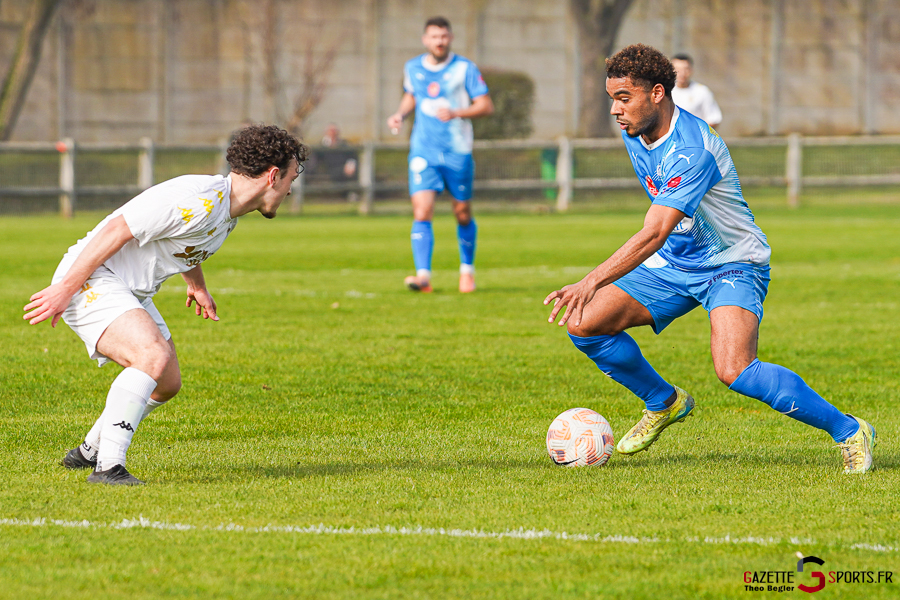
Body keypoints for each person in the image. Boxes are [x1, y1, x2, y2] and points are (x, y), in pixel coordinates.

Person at [543, 44, 875, 474]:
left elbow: (654, 231)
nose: (615, 110)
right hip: (677, 263)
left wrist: (591, 280)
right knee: (584, 323)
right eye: (612, 99)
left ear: (657, 93)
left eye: (624, 98)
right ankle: (664, 402)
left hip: (732, 263)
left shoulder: (691, 149)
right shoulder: (636, 132)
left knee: (735, 369)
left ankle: (850, 431)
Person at [23, 125, 307, 485]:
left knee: (166, 382)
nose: (291, 189)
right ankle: (108, 467)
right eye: (291, 179)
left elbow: (184, 243)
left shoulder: (226, 211)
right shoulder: (197, 199)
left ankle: (89, 450)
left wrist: (197, 285)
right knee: (152, 356)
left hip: (126, 288)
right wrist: (66, 288)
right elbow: (115, 231)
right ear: (272, 176)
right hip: (93, 278)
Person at [386, 16, 494, 293]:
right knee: (422, 210)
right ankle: (423, 277)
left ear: (450, 38)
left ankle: (466, 271)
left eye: (444, 36)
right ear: (426, 39)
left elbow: (485, 105)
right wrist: (400, 114)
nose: (439, 41)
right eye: (434, 37)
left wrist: (457, 112)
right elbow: (412, 94)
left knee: (462, 213)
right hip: (423, 150)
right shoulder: (412, 67)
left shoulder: (464, 68)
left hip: (457, 150)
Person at [671, 53, 722, 128]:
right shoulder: (664, 91)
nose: (682, 73)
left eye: (685, 69)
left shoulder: (702, 91)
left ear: (691, 70)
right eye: (677, 70)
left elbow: (714, 119)